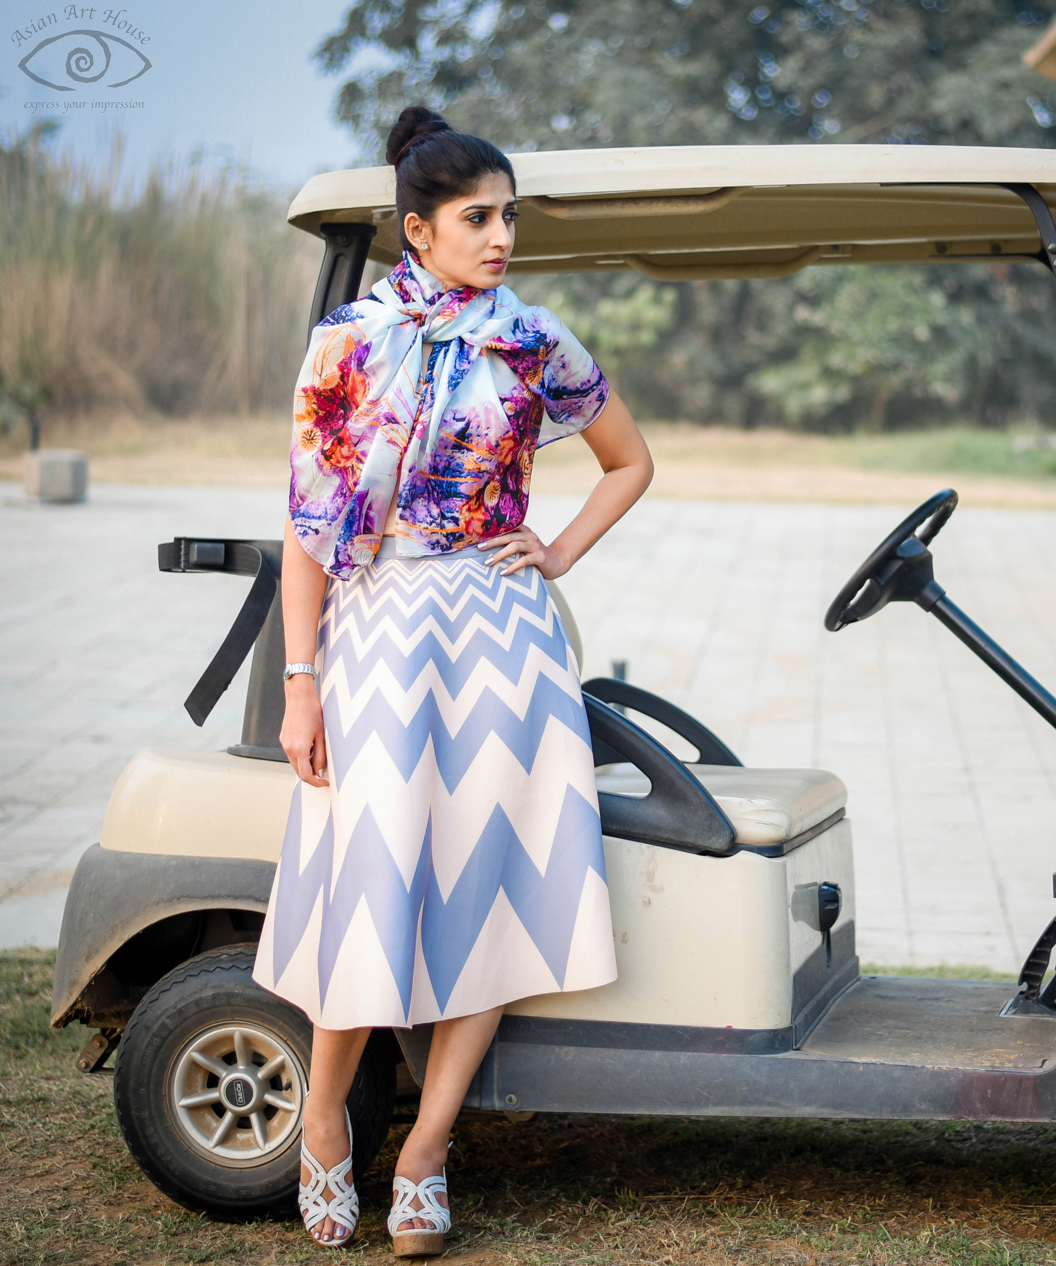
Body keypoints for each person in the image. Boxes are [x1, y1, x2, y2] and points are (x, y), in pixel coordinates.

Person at [251, 104, 653, 1256]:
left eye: (510, 216)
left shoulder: (532, 338)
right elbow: (309, 531)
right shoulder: (348, 344)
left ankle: (426, 1152)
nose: (502, 237)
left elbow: (630, 461)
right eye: (479, 218)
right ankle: (325, 1118)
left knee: (493, 890)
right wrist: (300, 682)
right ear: (418, 229)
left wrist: (557, 551)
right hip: (379, 629)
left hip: (504, 638)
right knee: (370, 880)